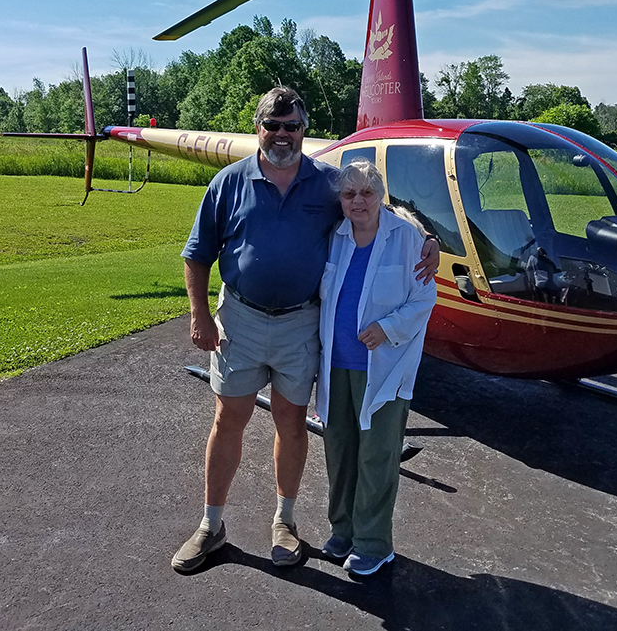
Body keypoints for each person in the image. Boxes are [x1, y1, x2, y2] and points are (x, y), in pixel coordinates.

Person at [171, 87, 439, 574]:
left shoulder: (326, 182)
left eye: (291, 126)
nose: (281, 135)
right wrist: (199, 314)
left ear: (303, 129)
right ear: (258, 128)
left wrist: (427, 237)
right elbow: (196, 253)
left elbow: (376, 204)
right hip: (241, 318)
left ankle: (285, 522)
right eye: (272, 126)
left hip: (300, 322)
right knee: (227, 419)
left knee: (292, 423)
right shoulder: (229, 182)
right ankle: (211, 525)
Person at [315, 159, 437, 576]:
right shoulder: (336, 237)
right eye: (349, 194)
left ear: (380, 195)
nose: (358, 201)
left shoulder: (408, 239)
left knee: (378, 455)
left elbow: (423, 301)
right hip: (337, 364)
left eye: (367, 193)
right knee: (341, 451)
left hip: (385, 367)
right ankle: (343, 530)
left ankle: (373, 543)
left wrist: (387, 328)